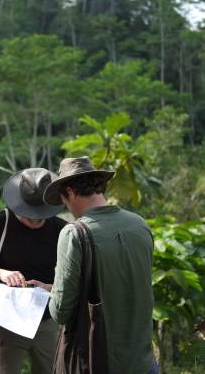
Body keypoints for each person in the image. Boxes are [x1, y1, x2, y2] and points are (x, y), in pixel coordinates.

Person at [43, 156, 159, 374]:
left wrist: (51, 291)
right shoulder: (140, 225)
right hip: (143, 362)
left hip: (98, 360)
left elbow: (60, 311)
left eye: (64, 200)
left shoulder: (74, 233)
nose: (66, 207)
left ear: (70, 191)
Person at [0, 167, 66, 374]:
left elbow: (73, 276)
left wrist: (50, 287)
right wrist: (1, 273)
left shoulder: (61, 229)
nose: (35, 221)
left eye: (40, 216)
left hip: (45, 318)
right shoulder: (1, 222)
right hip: (5, 317)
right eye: (29, 216)